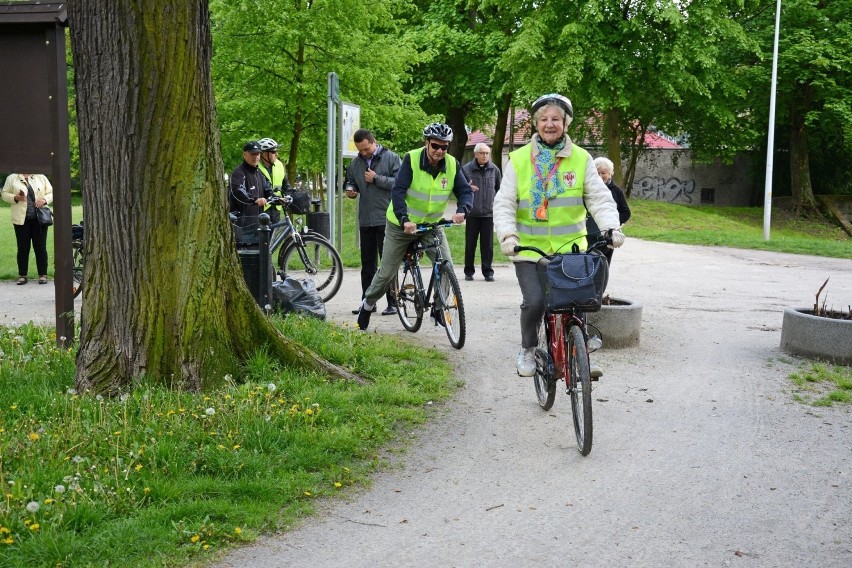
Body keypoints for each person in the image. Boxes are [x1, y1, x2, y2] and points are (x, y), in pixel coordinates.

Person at [493, 94, 625, 377]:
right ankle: (528, 348)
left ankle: (581, 354)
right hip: (529, 250)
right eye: (543, 119)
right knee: (536, 302)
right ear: (536, 124)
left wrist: (611, 228)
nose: (549, 124)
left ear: (566, 123)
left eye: (555, 119)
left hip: (571, 249)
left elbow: (599, 198)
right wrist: (507, 236)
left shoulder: (581, 158)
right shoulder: (518, 160)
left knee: (580, 298)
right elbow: (505, 203)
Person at [355, 122, 474, 331]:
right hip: (401, 225)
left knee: (446, 266)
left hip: (430, 225)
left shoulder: (453, 164)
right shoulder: (411, 159)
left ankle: (438, 308)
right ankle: (367, 304)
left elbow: (465, 191)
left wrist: (463, 210)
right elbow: (398, 191)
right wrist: (404, 219)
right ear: (426, 143)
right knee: (387, 272)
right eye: (435, 146)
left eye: (444, 147)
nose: (439, 151)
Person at [345, 129, 402, 316]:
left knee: (388, 264)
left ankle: (393, 302)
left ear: (373, 142)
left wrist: (376, 179)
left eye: (366, 149)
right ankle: (367, 301)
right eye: (360, 150)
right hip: (366, 219)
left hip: (387, 219)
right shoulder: (355, 163)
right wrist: (351, 189)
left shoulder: (392, 158)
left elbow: (401, 183)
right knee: (367, 264)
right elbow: (350, 181)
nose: (363, 153)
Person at [2, 173, 54, 285]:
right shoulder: (12, 177)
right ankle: (22, 275)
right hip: (21, 219)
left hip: (40, 219)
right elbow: (4, 194)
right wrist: (15, 197)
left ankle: (43, 275)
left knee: (40, 247)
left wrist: (44, 199)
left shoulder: (41, 177)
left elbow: (51, 192)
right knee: (22, 248)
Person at [461, 143, 502, 282]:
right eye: (482, 153)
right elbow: (460, 189)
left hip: (488, 214)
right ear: (476, 154)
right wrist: (467, 188)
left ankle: (488, 272)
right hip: (472, 213)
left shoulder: (494, 170)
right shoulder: (466, 169)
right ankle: (469, 271)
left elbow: (499, 189)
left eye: (487, 153)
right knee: (470, 244)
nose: (485, 156)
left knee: (488, 245)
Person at [586, 156, 631, 265]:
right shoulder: (587, 191)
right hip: (589, 235)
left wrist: (613, 225)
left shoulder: (616, 191)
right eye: (597, 173)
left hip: (606, 237)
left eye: (604, 173)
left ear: (610, 173)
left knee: (603, 265)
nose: (600, 176)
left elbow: (626, 212)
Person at [229, 141, 273, 241]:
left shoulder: (259, 174)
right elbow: (238, 191)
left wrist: (274, 197)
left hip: (258, 224)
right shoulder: (238, 173)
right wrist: (255, 200)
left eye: (258, 154)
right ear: (244, 154)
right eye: (252, 154)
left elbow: (267, 188)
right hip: (242, 225)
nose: (256, 157)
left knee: (262, 254)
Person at [257, 137, 291, 223]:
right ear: (264, 154)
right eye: (273, 152)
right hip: (262, 210)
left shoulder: (279, 165)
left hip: (276, 209)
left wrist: (289, 195)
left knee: (275, 236)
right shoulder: (256, 167)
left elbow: (286, 185)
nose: (277, 154)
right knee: (263, 235)